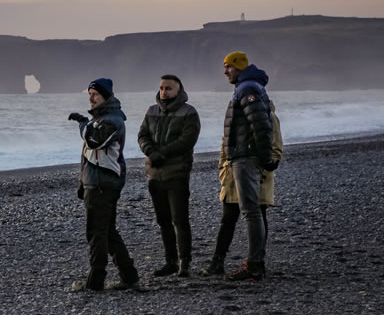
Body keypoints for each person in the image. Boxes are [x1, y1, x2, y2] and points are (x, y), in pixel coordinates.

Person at [68, 78, 140, 291]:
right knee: (107, 231)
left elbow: (94, 141)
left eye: (95, 94)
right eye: (89, 94)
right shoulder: (100, 120)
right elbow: (89, 154)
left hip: (103, 184)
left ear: (106, 96)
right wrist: (83, 183)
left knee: (96, 232)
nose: (90, 98)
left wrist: (82, 123)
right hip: (96, 182)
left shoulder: (113, 120)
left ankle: (95, 281)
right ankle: (129, 275)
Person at [202, 101, 283, 277]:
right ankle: (218, 261)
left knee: (258, 216)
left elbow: (276, 146)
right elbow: (225, 143)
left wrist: (266, 167)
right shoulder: (235, 116)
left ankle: (256, 262)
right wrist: (223, 166)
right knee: (228, 219)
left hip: (256, 176)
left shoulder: (268, 115)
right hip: (232, 174)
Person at [219, 51, 276, 281]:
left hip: (246, 157)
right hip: (245, 155)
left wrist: (265, 158)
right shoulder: (249, 87)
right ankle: (256, 263)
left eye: (229, 67)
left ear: (239, 66)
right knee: (253, 212)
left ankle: (254, 265)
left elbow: (260, 126)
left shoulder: (247, 88)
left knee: (251, 212)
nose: (225, 71)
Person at [137, 74, 201, 278]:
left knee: (180, 220)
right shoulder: (152, 110)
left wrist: (161, 153)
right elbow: (142, 135)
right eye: (162, 88)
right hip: (154, 174)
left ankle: (185, 263)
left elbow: (187, 141)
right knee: (163, 220)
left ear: (179, 90)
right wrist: (151, 152)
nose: (164, 91)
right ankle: (170, 261)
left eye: (169, 88)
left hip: (177, 173)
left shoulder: (189, 112)